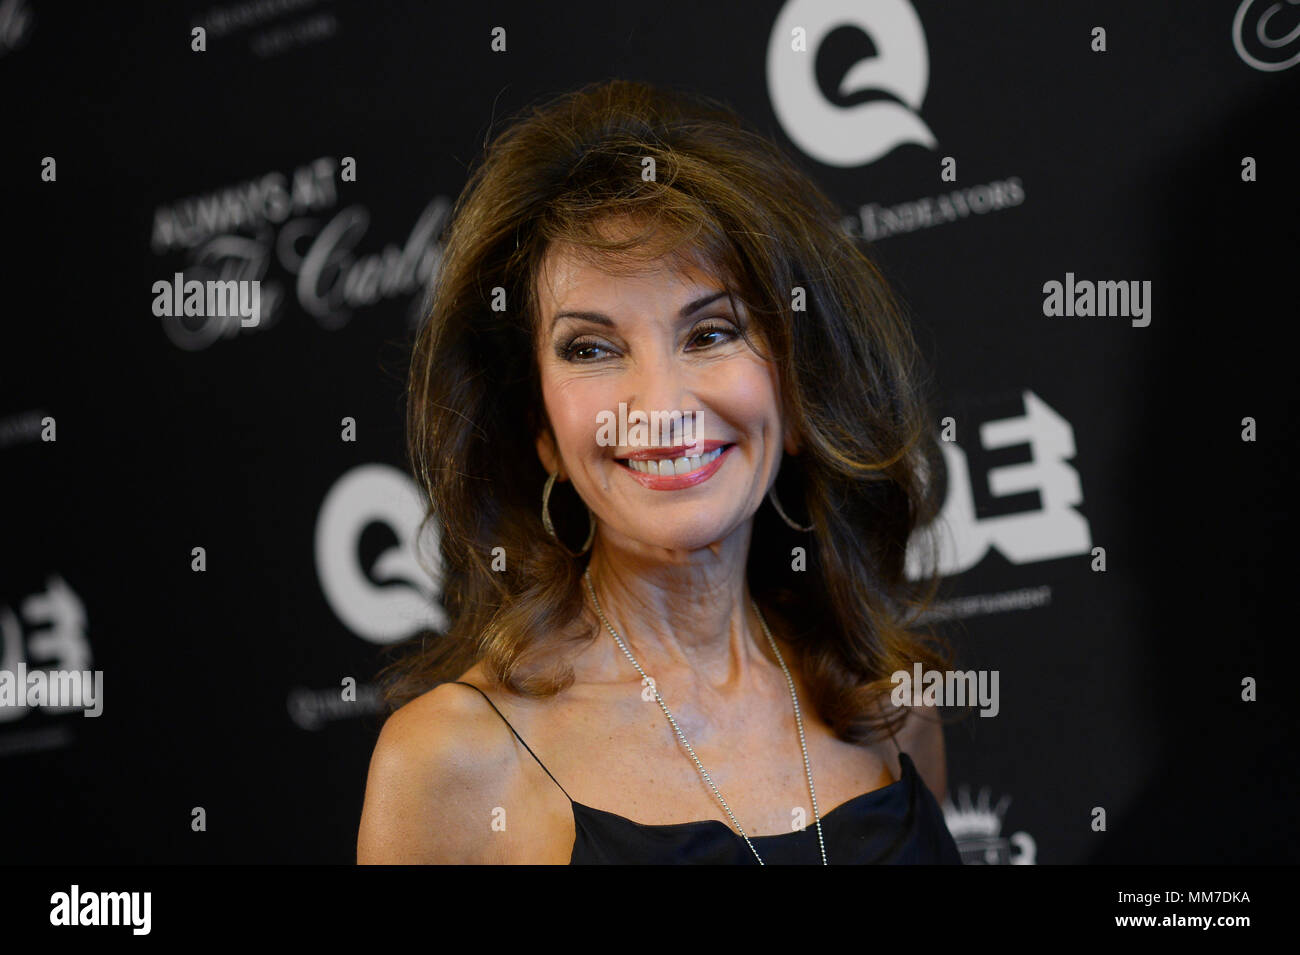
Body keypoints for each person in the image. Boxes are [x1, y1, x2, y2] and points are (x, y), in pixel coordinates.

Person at [357, 78, 962, 864]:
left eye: (710, 333)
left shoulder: (889, 707)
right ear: (541, 429)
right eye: (592, 348)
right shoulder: (453, 761)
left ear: (796, 383)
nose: (660, 404)